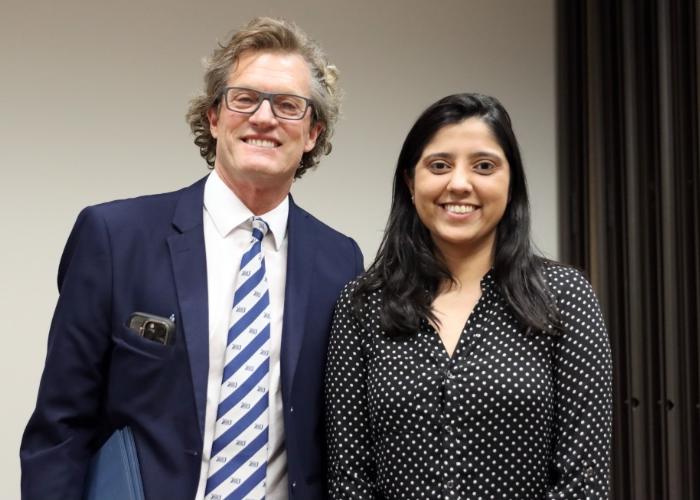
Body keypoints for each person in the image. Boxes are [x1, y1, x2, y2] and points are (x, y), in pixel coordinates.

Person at [21, 17, 363, 500]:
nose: (264, 118)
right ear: (213, 117)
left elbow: (340, 437)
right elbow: (60, 428)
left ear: (312, 133)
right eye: (244, 98)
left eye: (288, 106)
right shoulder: (116, 238)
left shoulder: (341, 261)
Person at [325, 93, 612, 499]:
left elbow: (584, 482)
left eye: (484, 166)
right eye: (439, 165)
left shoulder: (564, 297)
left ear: (511, 183)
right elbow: (349, 476)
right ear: (411, 181)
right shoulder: (362, 305)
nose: (459, 184)